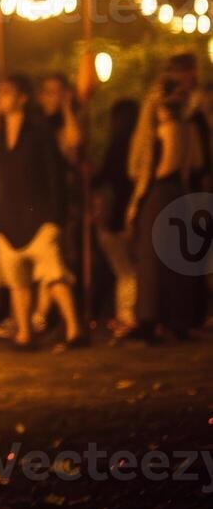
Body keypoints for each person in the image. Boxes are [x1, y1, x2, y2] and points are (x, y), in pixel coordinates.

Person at [0, 75, 85, 350]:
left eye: (6, 92)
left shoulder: (39, 133)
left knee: (53, 275)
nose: (0, 98)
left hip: (40, 217)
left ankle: (75, 328)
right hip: (8, 218)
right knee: (18, 281)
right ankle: (25, 333)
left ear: (22, 98)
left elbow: (55, 176)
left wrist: (55, 217)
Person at [127, 57, 207, 341]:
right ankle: (177, 318)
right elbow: (196, 163)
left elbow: (162, 168)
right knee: (173, 258)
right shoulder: (190, 127)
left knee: (154, 260)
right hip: (179, 194)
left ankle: (154, 319)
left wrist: (137, 202)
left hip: (160, 193)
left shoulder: (170, 129)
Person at [91, 98, 141, 341]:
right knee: (127, 269)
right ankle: (126, 315)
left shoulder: (121, 146)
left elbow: (105, 178)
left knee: (127, 270)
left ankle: (128, 317)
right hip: (122, 213)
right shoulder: (132, 145)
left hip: (119, 214)